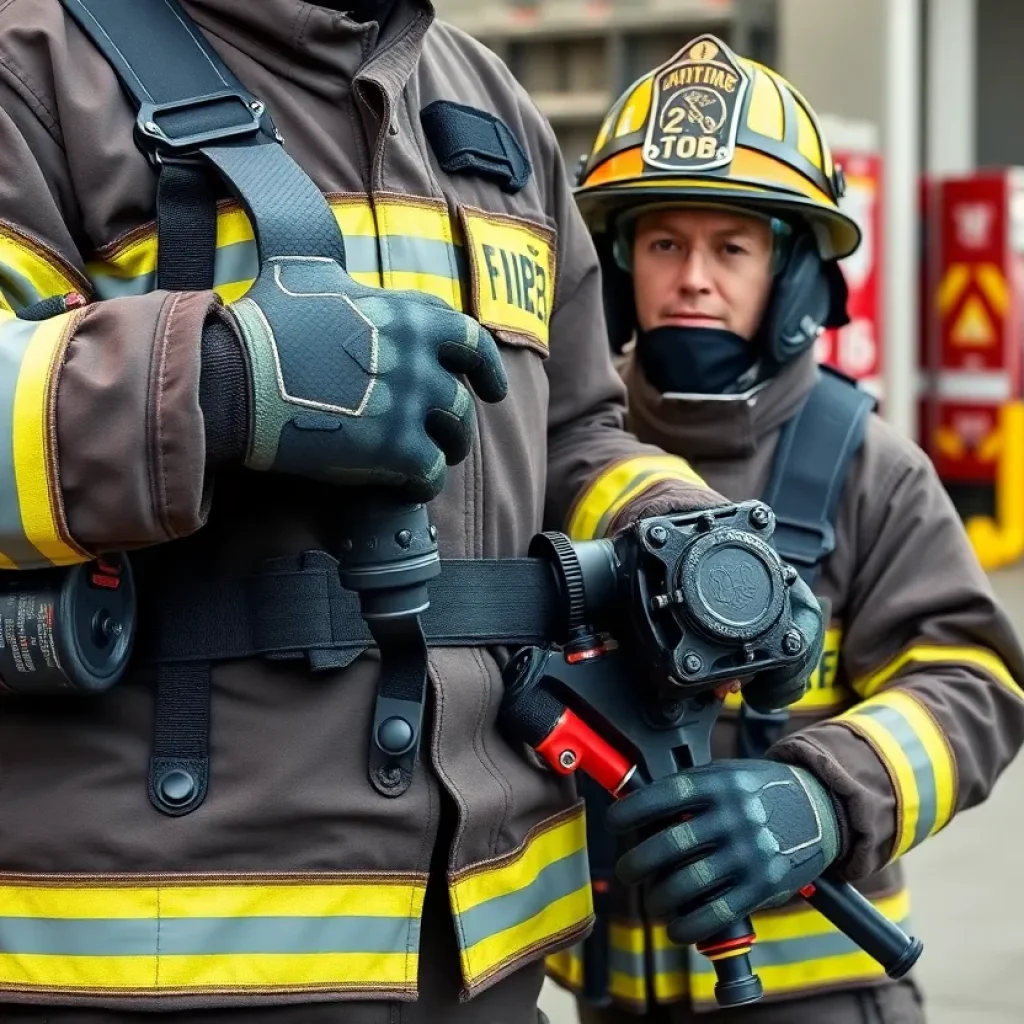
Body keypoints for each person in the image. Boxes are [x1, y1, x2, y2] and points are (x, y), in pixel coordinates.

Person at [0, 4, 828, 1023]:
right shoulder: (35, 64)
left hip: (487, 961)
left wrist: (688, 537)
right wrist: (222, 383)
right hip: (154, 959)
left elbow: (573, 434)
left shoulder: (492, 110)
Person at [546, 32, 1024, 1024]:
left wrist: (824, 794)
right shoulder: (559, 459)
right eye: (665, 243)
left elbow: (977, 686)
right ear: (618, 263)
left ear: (795, 275)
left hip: (813, 996)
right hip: (595, 1001)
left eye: (732, 247)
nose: (692, 279)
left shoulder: (867, 466)